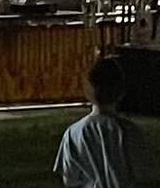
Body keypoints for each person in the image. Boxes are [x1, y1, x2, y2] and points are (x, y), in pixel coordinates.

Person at [57, 55, 150, 188]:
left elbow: (69, 179)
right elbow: (140, 172)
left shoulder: (73, 133)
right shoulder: (129, 130)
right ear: (120, 91)